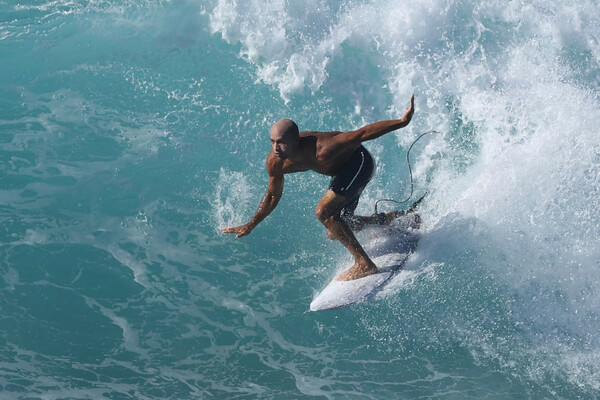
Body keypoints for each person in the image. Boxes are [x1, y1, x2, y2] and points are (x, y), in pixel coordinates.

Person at [222, 95, 415, 281]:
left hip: (360, 164)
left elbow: (361, 134)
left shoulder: (323, 148)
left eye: (281, 142)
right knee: (335, 230)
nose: (275, 148)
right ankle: (389, 219)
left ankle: (364, 264)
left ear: (295, 141)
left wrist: (402, 121)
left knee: (324, 212)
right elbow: (272, 196)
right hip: (342, 175)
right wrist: (251, 224)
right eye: (272, 141)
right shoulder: (276, 162)